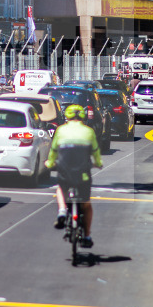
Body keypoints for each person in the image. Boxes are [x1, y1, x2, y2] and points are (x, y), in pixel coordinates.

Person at [45, 104, 103, 248]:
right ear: (82, 117)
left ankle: (62, 210)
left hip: (64, 171)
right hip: (83, 174)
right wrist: (98, 163)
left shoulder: (60, 130)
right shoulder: (89, 131)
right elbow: (95, 152)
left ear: (67, 117)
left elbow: (53, 150)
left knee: (61, 188)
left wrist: (50, 162)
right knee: (86, 204)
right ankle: (87, 236)